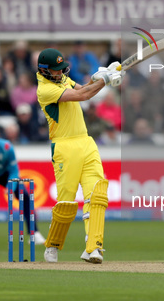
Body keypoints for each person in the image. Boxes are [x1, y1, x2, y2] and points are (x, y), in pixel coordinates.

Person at [36, 48, 122, 263]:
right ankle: (53, 245)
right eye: (55, 70)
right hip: (64, 147)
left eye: (60, 69)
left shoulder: (62, 78)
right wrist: (105, 81)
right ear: (44, 70)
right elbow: (82, 96)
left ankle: (93, 247)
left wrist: (100, 76)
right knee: (66, 202)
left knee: (97, 195)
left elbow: (83, 87)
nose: (59, 73)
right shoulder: (44, 89)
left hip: (86, 142)